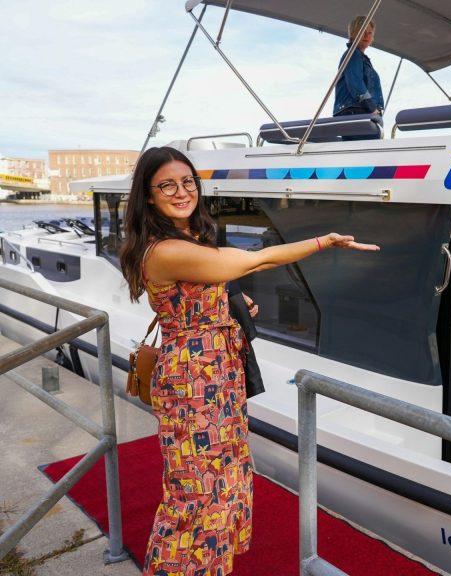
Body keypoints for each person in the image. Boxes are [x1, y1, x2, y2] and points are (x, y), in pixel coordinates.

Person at [119, 146, 379, 576]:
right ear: (148, 195)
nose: (182, 192)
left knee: (225, 480)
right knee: (196, 496)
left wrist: (230, 303)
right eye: (167, 185)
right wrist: (324, 241)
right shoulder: (165, 248)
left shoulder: (188, 238)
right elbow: (258, 258)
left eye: (188, 182)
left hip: (218, 373)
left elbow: (191, 292)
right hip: (193, 383)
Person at [333, 15, 384, 139]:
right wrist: (372, 108)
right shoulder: (353, 54)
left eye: (369, 33)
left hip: (362, 113)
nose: (367, 36)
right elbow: (356, 84)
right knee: (367, 155)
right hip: (356, 113)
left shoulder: (362, 58)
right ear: (353, 34)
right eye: (362, 32)